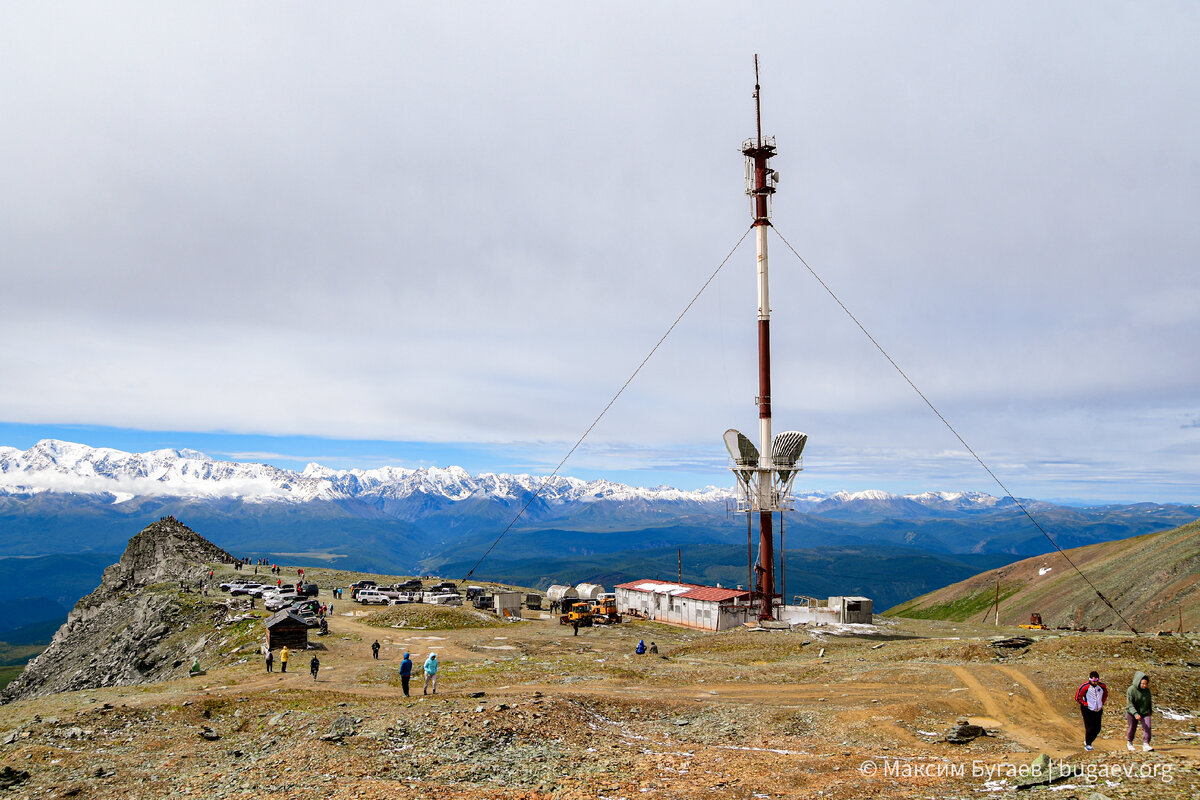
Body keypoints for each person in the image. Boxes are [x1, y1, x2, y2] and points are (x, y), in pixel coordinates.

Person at [1075, 670, 1107, 750]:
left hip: (1098, 709)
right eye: (1093, 681)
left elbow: (1105, 694)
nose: (1095, 683)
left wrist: (1102, 703)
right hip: (1087, 710)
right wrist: (1085, 704)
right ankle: (1088, 744)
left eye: (1096, 681)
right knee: (1089, 728)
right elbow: (1078, 697)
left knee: (1098, 728)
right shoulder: (1085, 686)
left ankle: (1089, 740)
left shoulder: (1102, 686)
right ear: (1090, 679)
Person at [1126, 671, 1153, 751]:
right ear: (1138, 682)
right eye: (1142, 684)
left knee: (1147, 727)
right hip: (1132, 712)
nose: (1144, 685)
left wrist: (1150, 711)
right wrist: (1135, 714)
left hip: (1144, 712)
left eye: (1146, 684)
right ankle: (1129, 742)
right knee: (1132, 728)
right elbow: (1130, 704)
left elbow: (1149, 701)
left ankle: (1146, 744)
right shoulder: (1131, 690)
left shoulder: (1147, 690)